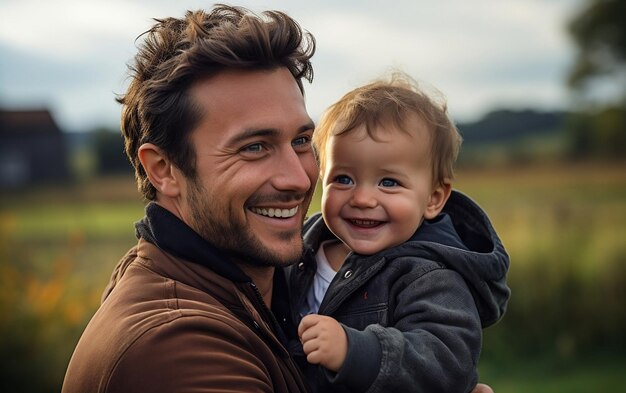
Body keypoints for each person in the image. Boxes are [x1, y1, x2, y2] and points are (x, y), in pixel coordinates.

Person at [62, 4, 497, 393]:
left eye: (302, 140)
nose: (300, 177)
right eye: (255, 146)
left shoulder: (262, 283)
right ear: (164, 169)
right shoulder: (178, 351)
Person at [288, 73, 510, 392]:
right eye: (344, 179)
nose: (362, 199)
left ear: (433, 199)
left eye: (389, 182)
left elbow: (447, 362)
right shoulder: (298, 250)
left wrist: (356, 351)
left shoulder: (428, 277)